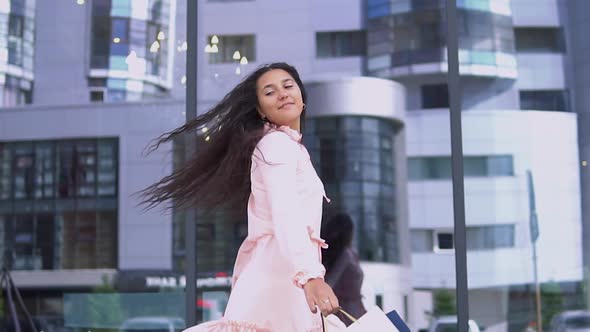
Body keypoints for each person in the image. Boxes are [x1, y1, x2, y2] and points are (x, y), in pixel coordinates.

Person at [141, 63, 345, 331]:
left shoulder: (291, 147)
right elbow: (285, 214)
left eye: (288, 86)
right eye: (270, 92)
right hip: (280, 281)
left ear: (302, 97)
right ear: (260, 110)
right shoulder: (276, 145)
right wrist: (310, 277)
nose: (282, 94)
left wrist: (310, 275)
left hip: (286, 280)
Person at [321, 213, 367, 326]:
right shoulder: (346, 255)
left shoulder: (346, 255)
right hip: (346, 312)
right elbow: (330, 283)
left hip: (347, 311)